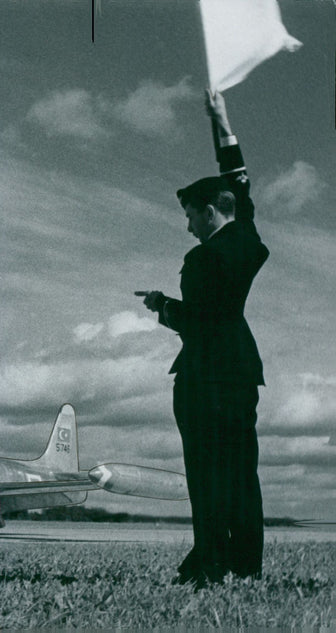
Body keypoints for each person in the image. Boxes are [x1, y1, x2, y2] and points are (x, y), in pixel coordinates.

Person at [138, 90, 268, 589]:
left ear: (212, 211)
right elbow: (239, 180)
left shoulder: (202, 261)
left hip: (205, 378)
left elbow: (198, 321)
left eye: (191, 214)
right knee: (241, 473)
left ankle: (211, 565)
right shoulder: (247, 239)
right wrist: (223, 122)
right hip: (240, 372)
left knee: (206, 474)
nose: (188, 225)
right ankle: (245, 565)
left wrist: (161, 306)